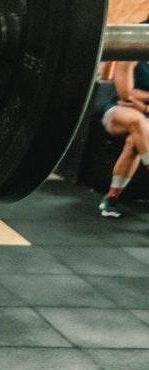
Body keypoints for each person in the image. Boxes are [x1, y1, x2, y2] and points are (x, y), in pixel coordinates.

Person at [97, 17, 149, 219]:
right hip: (118, 112)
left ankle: (110, 199)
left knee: (134, 141)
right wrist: (136, 99)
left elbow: (134, 96)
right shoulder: (136, 42)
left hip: (142, 113)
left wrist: (140, 98)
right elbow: (125, 93)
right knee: (137, 122)